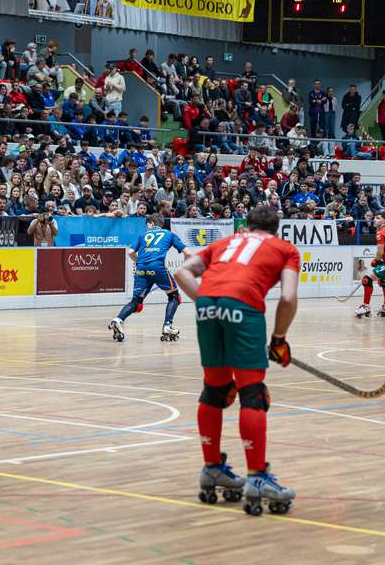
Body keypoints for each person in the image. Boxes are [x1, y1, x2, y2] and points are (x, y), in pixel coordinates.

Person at [174, 205, 299, 516]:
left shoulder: (226, 242)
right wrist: (279, 339)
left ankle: (212, 468)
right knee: (252, 393)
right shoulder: (285, 249)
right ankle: (257, 477)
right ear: (276, 229)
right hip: (243, 306)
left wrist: (209, 301)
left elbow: (181, 272)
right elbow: (287, 297)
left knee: (214, 390)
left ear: (246, 225)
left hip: (207, 305)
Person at [110, 213, 191, 342]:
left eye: (147, 224)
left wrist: (140, 263)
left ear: (152, 223)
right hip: (157, 267)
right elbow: (188, 253)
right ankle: (167, 326)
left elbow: (130, 252)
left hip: (141, 268)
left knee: (136, 302)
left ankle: (118, 320)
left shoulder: (143, 235)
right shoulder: (169, 234)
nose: (147, 227)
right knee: (175, 297)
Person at [355, 212, 385, 318]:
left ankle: (366, 307)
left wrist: (376, 260)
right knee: (383, 281)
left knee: (366, 279)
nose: (375, 220)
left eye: (377, 218)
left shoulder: (381, 233)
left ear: (384, 220)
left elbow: (380, 252)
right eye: (375, 218)